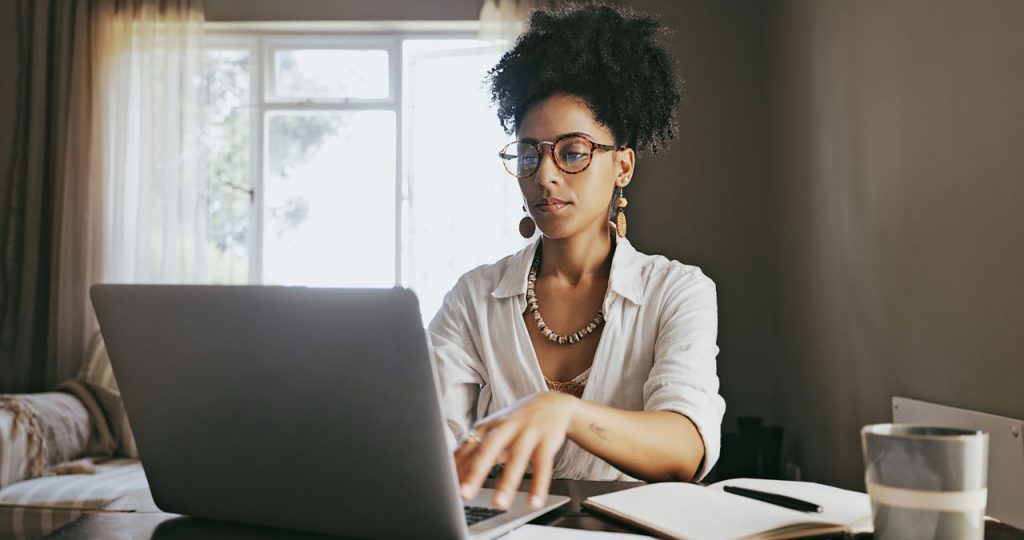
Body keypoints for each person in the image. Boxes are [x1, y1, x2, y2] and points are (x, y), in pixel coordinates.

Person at [428, 2, 725, 512]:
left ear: (623, 167)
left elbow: (685, 446)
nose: (543, 176)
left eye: (572, 152)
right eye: (529, 153)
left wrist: (561, 412)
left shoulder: (677, 291)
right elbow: (427, 437)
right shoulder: (475, 297)